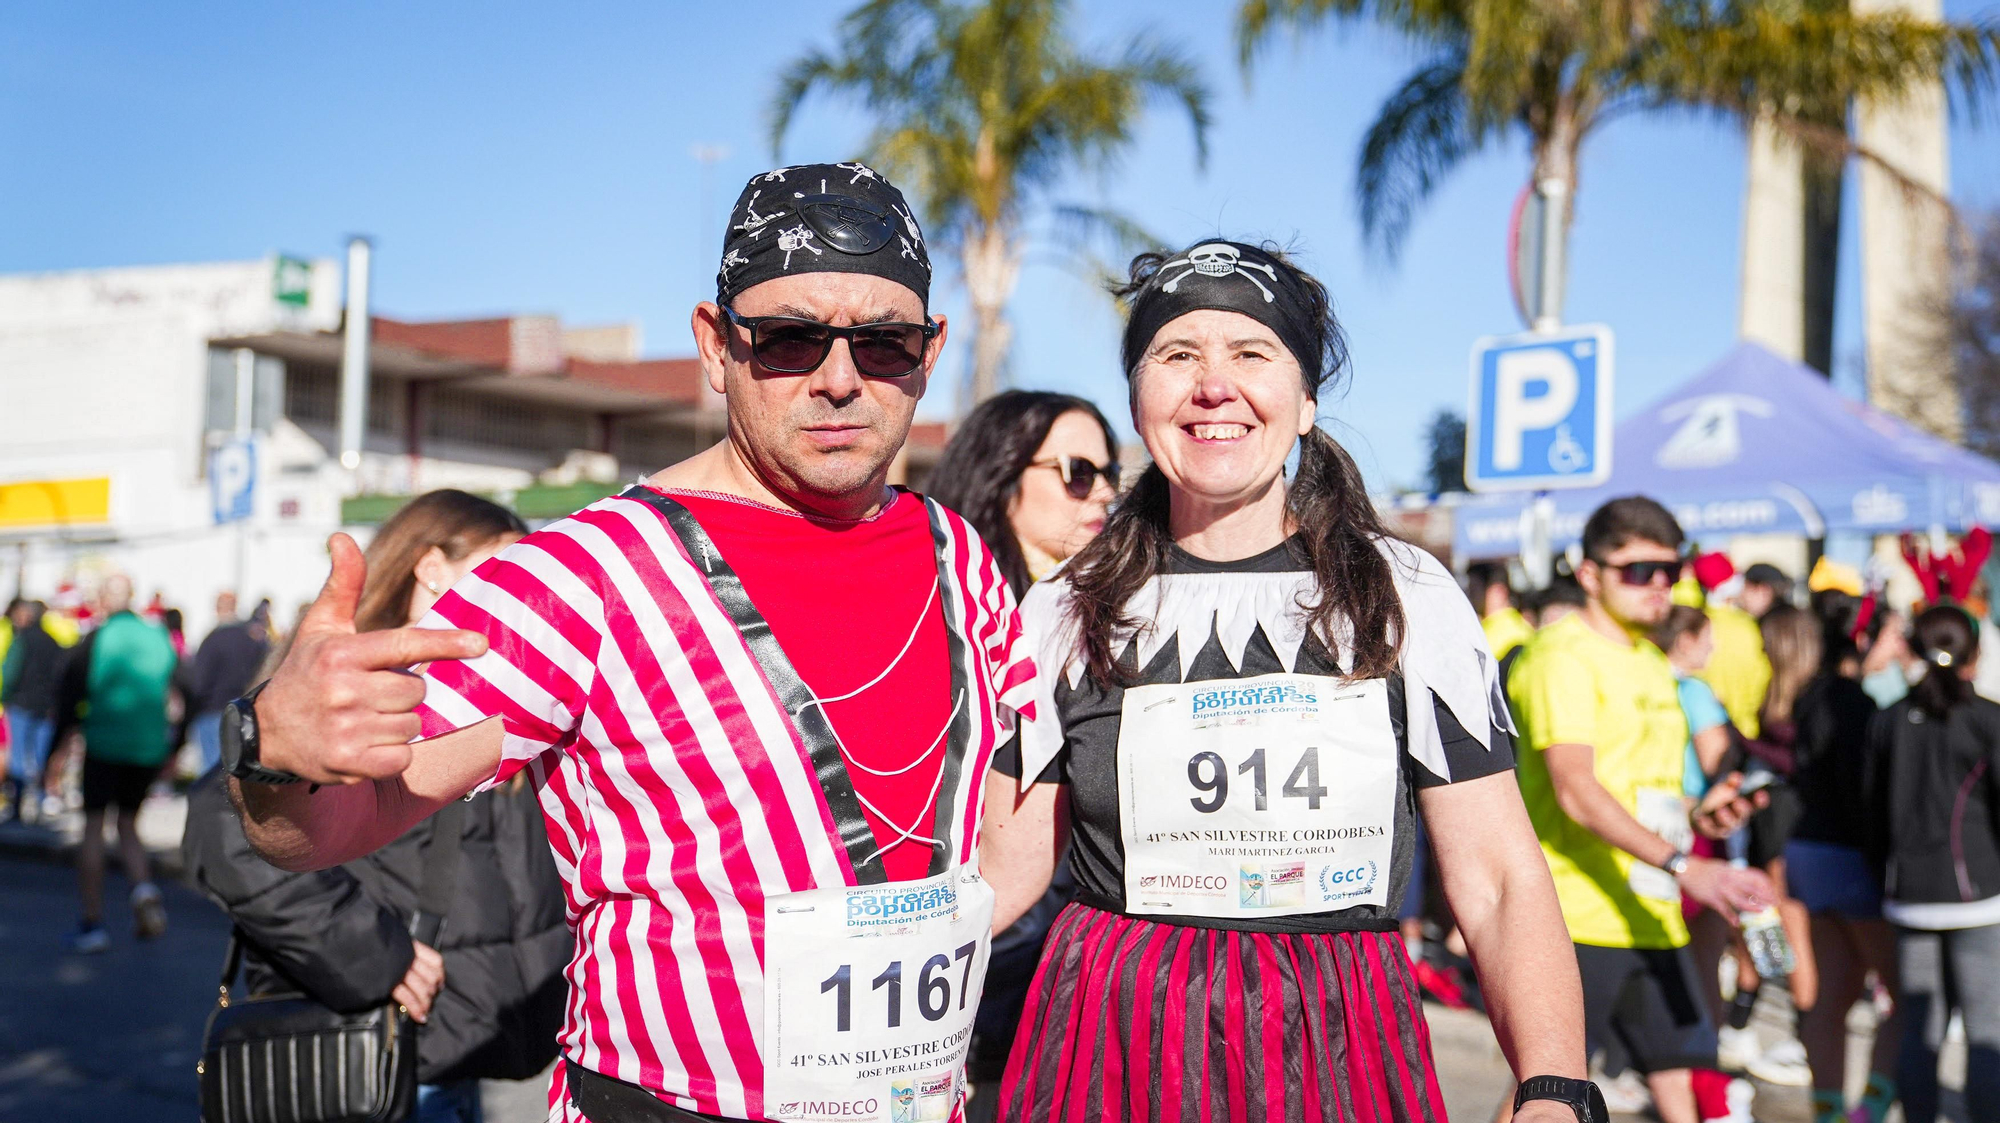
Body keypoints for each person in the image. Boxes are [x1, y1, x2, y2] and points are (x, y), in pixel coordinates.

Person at [228, 163, 1035, 1123]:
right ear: (714, 344)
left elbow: (1014, 814)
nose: (839, 378)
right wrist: (274, 752)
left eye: (884, 341)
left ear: (930, 351)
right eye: (787, 338)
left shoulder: (957, 556)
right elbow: (326, 829)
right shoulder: (578, 579)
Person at [984, 239, 1595, 1123]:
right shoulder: (1062, 609)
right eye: (1177, 354)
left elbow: (1498, 875)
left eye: (1252, 353)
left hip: (1338, 1041)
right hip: (1112, 1042)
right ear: (1138, 398)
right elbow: (1002, 874)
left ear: (1305, 402)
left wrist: (1553, 1085)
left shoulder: (1405, 593)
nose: (1213, 385)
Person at [185, 490, 568, 1123]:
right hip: (371, 1039)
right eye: (503, 566)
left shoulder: (512, 686)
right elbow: (224, 828)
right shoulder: (347, 687)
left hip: (463, 1045)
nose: (519, 590)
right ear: (430, 567)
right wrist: (376, 954)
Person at [1509, 496, 1775, 1123]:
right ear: (1590, 573)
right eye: (1638, 570)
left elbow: (1642, 788)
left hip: (1651, 910)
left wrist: (1702, 814)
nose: (1659, 583)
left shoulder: (1652, 661)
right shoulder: (1560, 656)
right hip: (1575, 917)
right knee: (1548, 1099)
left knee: (1679, 1079)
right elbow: (1576, 790)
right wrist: (1689, 866)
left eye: (1670, 569)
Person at [925, 389, 1117, 1117]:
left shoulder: (1110, 618)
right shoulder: (948, 617)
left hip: (1068, 983)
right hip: (974, 974)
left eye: (1108, 473)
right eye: (1075, 471)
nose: (1100, 492)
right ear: (1004, 473)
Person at [1864, 605, 2000, 1123]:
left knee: (1921, 1029)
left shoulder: (1887, 720)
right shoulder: (1988, 719)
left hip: (1910, 897)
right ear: (1975, 653)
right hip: (1979, 898)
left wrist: (1886, 880)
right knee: (1986, 1032)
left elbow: (1871, 816)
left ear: (1912, 651)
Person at [1785, 600, 1896, 1123]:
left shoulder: (1808, 693)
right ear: (1863, 639)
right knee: (1903, 995)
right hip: (1848, 857)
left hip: (1806, 851)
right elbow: (1864, 794)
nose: (1898, 649)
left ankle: (1828, 1113)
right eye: (1893, 636)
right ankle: (1868, 1112)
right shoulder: (1856, 703)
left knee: (1832, 996)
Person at [52, 574, 179, 952]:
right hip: (147, 748)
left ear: (104, 601)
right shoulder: (157, 636)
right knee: (128, 823)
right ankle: (142, 890)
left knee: (93, 826)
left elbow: (69, 695)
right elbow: (185, 686)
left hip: (105, 744)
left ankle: (92, 924)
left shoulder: (97, 638)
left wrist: (56, 754)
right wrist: (175, 746)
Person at [180, 590, 271, 775]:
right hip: (244, 710)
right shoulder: (252, 639)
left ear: (217, 608)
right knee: (235, 770)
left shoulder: (213, 639)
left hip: (213, 710)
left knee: (212, 773)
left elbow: (200, 681)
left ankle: (213, 804)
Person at [2, 599, 66, 822]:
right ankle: (40, 803)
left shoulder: (22, 640)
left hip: (22, 705)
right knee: (40, 758)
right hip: (46, 708)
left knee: (18, 757)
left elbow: (10, 672)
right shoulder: (53, 643)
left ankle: (17, 806)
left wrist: (5, 697)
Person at [1471, 561, 1535, 660]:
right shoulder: (1485, 628)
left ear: (1498, 591)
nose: (1470, 596)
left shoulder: (1512, 633)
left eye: (1475, 590)